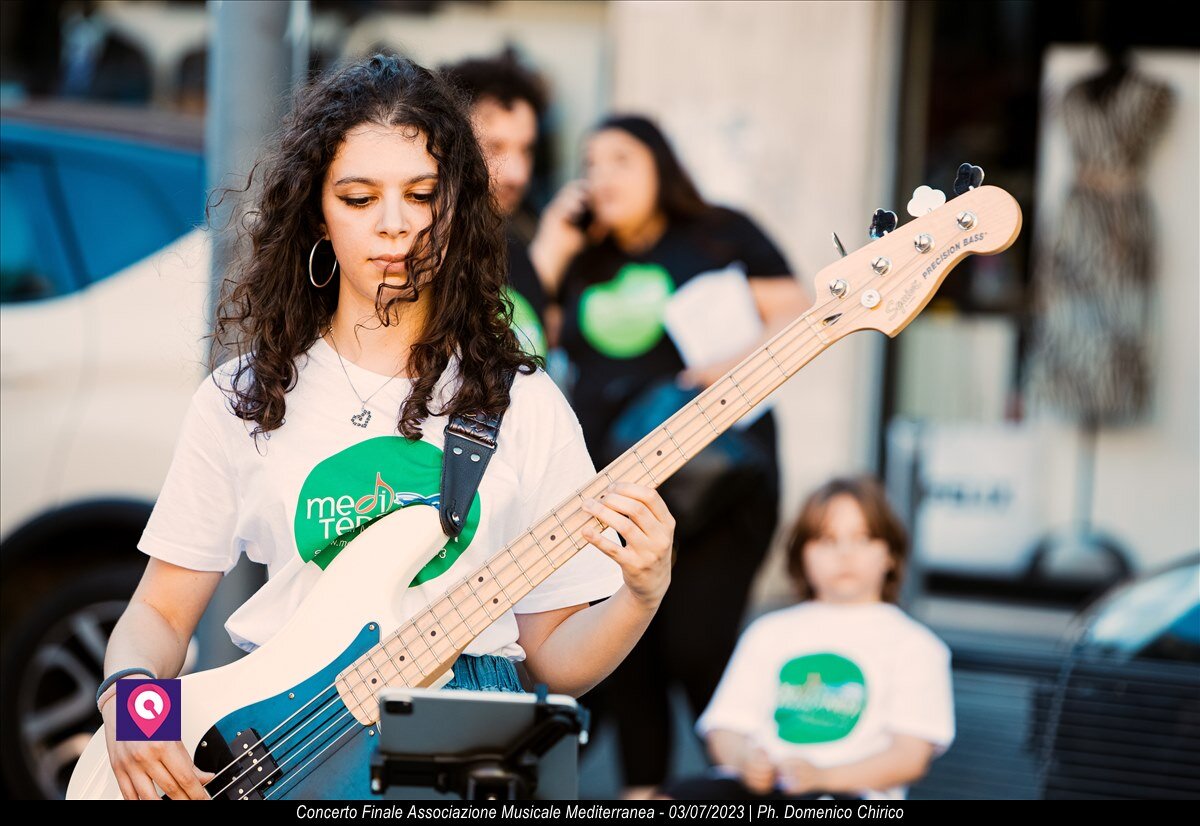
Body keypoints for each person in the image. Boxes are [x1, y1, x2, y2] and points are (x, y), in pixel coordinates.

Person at [94, 54, 675, 801]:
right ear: (317, 213)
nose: (394, 225)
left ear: (456, 207)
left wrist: (640, 593)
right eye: (359, 197)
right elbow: (159, 613)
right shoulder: (244, 397)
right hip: (278, 755)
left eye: (421, 194)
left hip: (472, 754)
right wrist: (138, 715)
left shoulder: (520, 402)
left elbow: (556, 657)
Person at [529, 114, 811, 797]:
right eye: (591, 162)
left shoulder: (718, 235)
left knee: (695, 642)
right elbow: (531, 341)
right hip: (615, 484)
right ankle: (643, 792)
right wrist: (551, 249)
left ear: (660, 165)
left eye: (622, 159)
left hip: (717, 484)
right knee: (631, 657)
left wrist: (722, 373)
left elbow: (800, 314)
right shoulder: (587, 258)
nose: (602, 175)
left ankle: (758, 779)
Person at [660, 476, 955, 801]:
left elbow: (909, 759)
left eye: (863, 538)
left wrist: (822, 776)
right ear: (801, 554)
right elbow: (724, 730)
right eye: (827, 540)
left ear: (891, 554)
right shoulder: (767, 633)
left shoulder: (915, 646)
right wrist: (746, 762)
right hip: (755, 787)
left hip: (849, 791)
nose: (845, 553)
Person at [441, 52, 551, 355]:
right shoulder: (420, 257)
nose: (517, 173)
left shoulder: (518, 251)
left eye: (526, 150)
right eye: (495, 147)